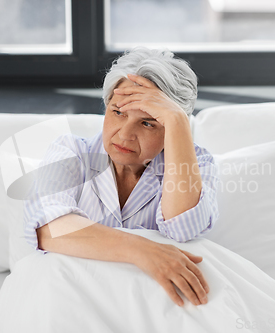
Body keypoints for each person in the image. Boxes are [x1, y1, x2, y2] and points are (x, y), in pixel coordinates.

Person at [23, 47, 220, 308]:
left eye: (148, 122)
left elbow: (184, 228)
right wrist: (142, 250)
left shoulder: (198, 162)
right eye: (118, 112)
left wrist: (178, 120)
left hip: (151, 306)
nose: (125, 134)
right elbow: (49, 230)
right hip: (72, 299)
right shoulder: (71, 152)